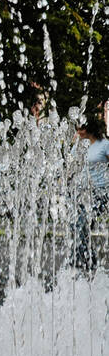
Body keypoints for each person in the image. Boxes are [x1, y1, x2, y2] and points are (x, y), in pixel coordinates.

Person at [71, 109, 109, 272]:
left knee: (81, 224)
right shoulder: (79, 146)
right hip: (82, 192)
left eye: (81, 129)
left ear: (90, 128)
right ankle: (86, 261)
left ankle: (85, 261)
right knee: (76, 226)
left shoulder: (105, 145)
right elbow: (72, 167)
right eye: (77, 129)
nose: (78, 132)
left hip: (100, 192)